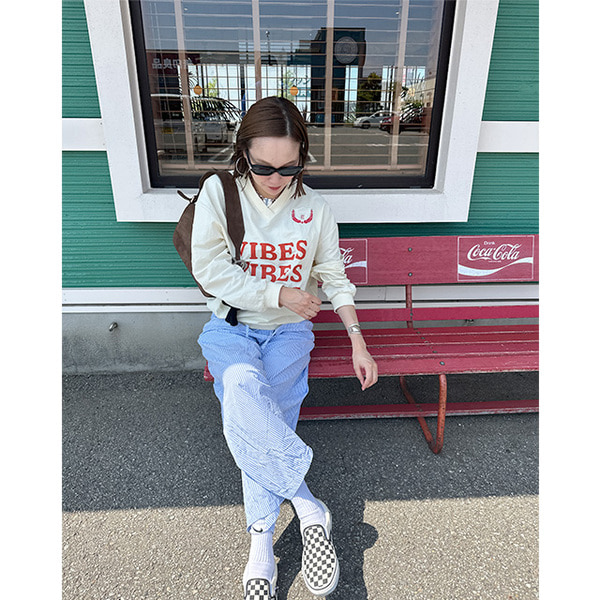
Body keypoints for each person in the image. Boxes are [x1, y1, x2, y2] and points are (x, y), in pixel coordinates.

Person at [192, 96, 378, 600]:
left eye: (289, 168)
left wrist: (358, 341)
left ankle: (260, 546)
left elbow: (334, 276)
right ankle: (308, 504)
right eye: (262, 167)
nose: (275, 179)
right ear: (242, 155)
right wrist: (279, 293)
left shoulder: (314, 209)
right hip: (231, 328)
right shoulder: (220, 194)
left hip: (290, 332)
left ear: (302, 159)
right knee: (242, 387)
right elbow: (211, 270)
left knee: (258, 413)